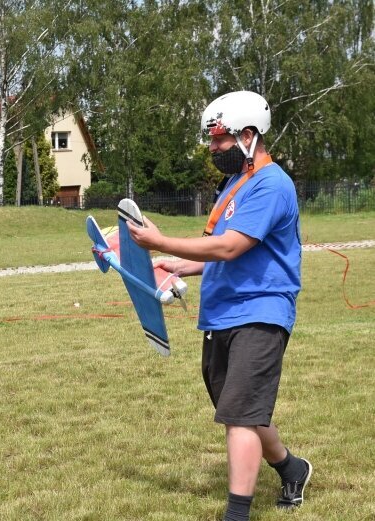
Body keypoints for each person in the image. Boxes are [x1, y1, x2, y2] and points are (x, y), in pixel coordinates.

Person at [126, 92, 311, 520]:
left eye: (220, 140)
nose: (213, 149)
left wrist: (160, 239)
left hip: (261, 313)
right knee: (240, 408)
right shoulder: (234, 184)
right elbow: (219, 249)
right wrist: (179, 264)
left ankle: (236, 514)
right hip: (221, 313)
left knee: (241, 416)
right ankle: (291, 468)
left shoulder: (271, 184)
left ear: (248, 136)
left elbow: (230, 247)